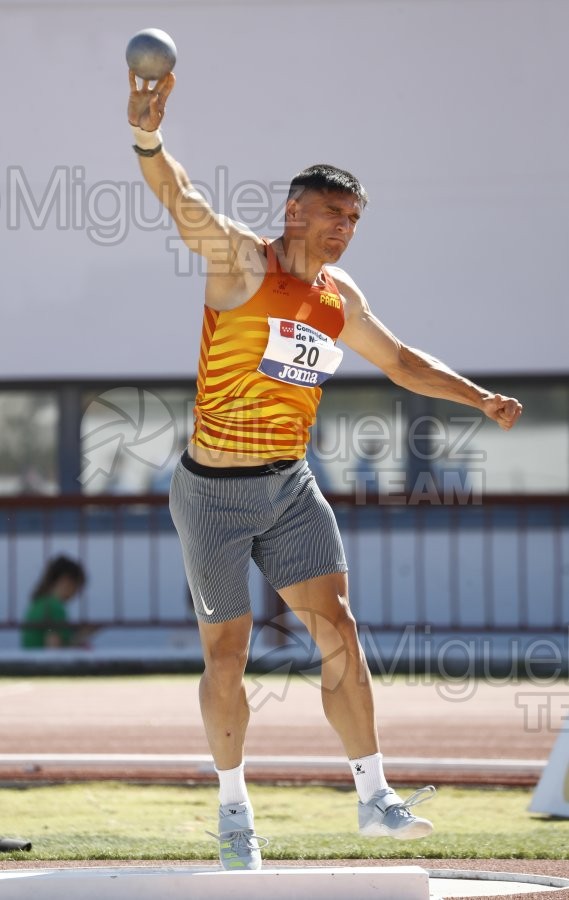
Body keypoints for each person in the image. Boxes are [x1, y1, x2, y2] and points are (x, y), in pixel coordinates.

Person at [127, 69, 523, 871]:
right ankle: (234, 813)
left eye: (354, 219)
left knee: (337, 630)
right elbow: (179, 199)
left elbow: (402, 361)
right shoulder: (240, 261)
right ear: (293, 211)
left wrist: (476, 396)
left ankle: (374, 796)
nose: (344, 228)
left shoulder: (339, 295)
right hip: (212, 494)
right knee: (227, 656)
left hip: (290, 486)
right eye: (333, 214)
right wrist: (147, 135)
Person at [21, 556, 91, 649]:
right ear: (66, 580)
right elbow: (54, 648)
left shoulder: (38, 604)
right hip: (43, 663)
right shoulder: (54, 607)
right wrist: (80, 638)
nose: (76, 593)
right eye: (77, 587)